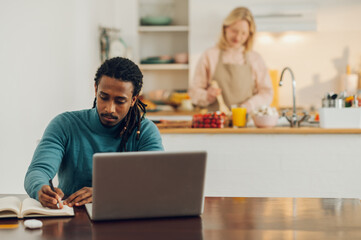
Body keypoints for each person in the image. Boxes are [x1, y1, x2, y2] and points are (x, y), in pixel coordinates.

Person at [24, 57, 164, 209]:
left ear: (133, 99)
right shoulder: (64, 125)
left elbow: (155, 183)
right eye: (104, 97)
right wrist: (40, 189)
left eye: (120, 101)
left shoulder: (145, 131)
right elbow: (38, 170)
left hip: (127, 217)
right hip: (71, 217)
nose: (109, 108)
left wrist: (105, 193)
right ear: (96, 89)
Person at [189, 7, 273, 112]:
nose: (238, 37)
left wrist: (249, 105)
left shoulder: (255, 58)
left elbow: (266, 93)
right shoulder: (209, 55)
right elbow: (194, 92)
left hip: (246, 123)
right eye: (234, 31)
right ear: (225, 28)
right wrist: (207, 96)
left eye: (243, 33)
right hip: (215, 123)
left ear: (249, 34)